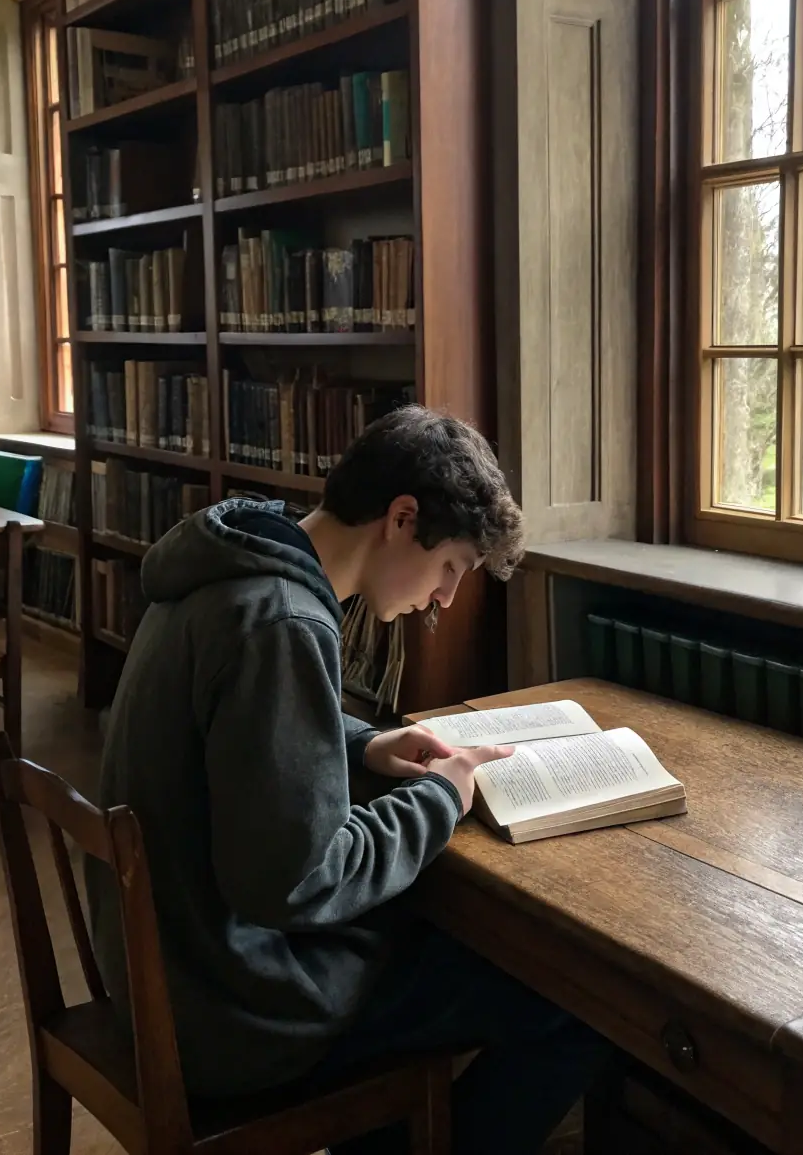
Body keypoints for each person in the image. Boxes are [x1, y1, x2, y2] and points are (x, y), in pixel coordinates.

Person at [86, 404, 614, 1155]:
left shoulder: (229, 565)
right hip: (230, 1012)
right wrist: (440, 797)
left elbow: (232, 726)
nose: (443, 599)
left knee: (436, 945)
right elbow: (298, 881)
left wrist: (365, 744)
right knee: (573, 1003)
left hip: (167, 978)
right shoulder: (283, 621)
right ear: (402, 518)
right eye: (450, 569)